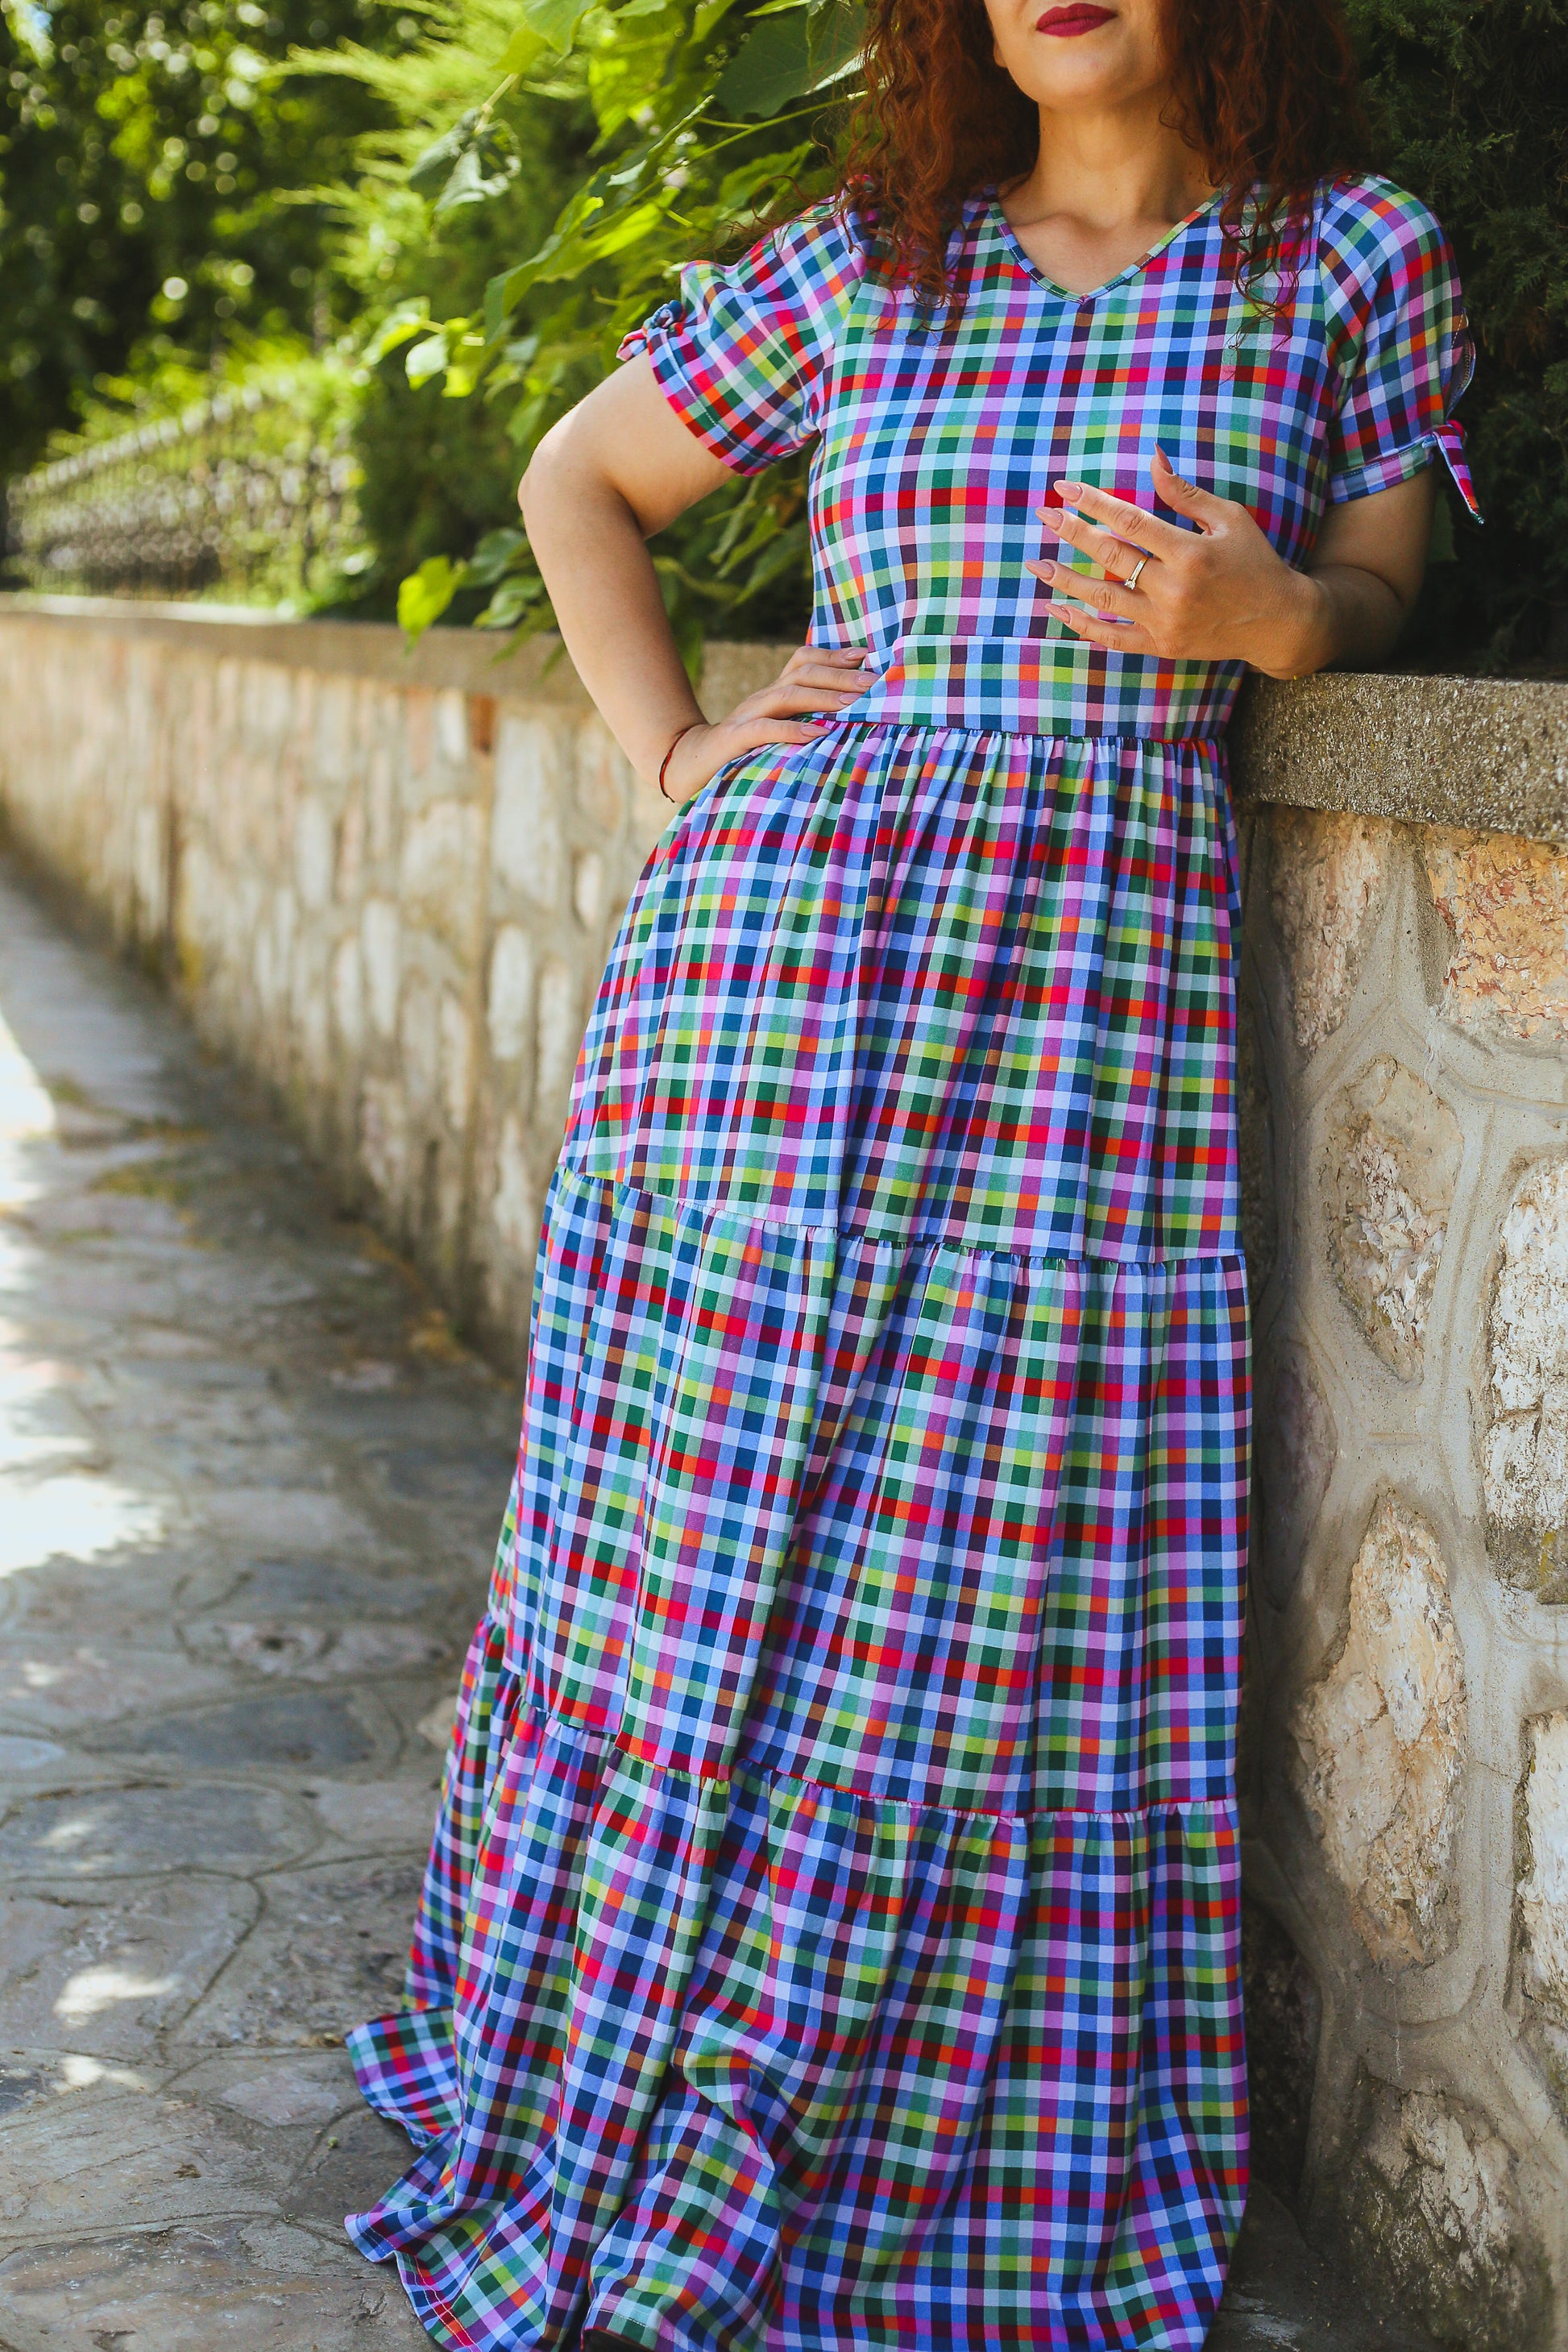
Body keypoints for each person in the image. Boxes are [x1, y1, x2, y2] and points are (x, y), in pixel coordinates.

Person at [342, 0, 1477, 2337]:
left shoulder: (1351, 257)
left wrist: (1257, 620)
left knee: (981, 1604)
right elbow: (579, 477)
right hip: (757, 1008)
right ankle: (610, 2051)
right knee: (692, 1560)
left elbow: (1376, 597)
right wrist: (673, 760)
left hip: (1081, 1017)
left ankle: (900, 2138)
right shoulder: (875, 261)